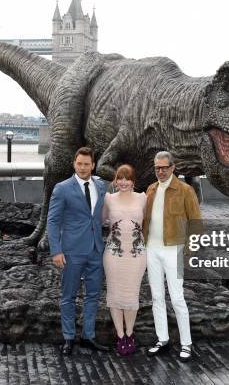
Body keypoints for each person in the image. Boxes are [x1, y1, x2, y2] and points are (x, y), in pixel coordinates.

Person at [47, 146, 108, 356]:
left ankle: (88, 336)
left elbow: (102, 216)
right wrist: (56, 251)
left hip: (96, 250)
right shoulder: (62, 188)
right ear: (74, 164)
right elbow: (53, 222)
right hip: (71, 251)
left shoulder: (101, 186)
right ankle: (68, 338)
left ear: (93, 165)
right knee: (68, 296)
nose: (83, 167)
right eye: (79, 163)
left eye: (87, 164)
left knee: (93, 295)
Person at [143, 151, 202, 362]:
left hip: (174, 250)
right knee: (157, 297)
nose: (160, 171)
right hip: (152, 249)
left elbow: (196, 221)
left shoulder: (186, 190)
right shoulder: (151, 189)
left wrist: (191, 249)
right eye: (157, 168)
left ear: (172, 167)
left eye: (164, 168)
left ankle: (186, 343)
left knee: (177, 298)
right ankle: (162, 339)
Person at [102, 164, 147, 356]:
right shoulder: (108, 199)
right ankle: (120, 336)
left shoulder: (143, 198)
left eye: (127, 178)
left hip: (137, 255)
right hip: (113, 255)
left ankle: (130, 333)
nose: (123, 182)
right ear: (115, 180)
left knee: (130, 295)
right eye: (120, 178)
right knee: (114, 295)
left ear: (133, 181)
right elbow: (100, 220)